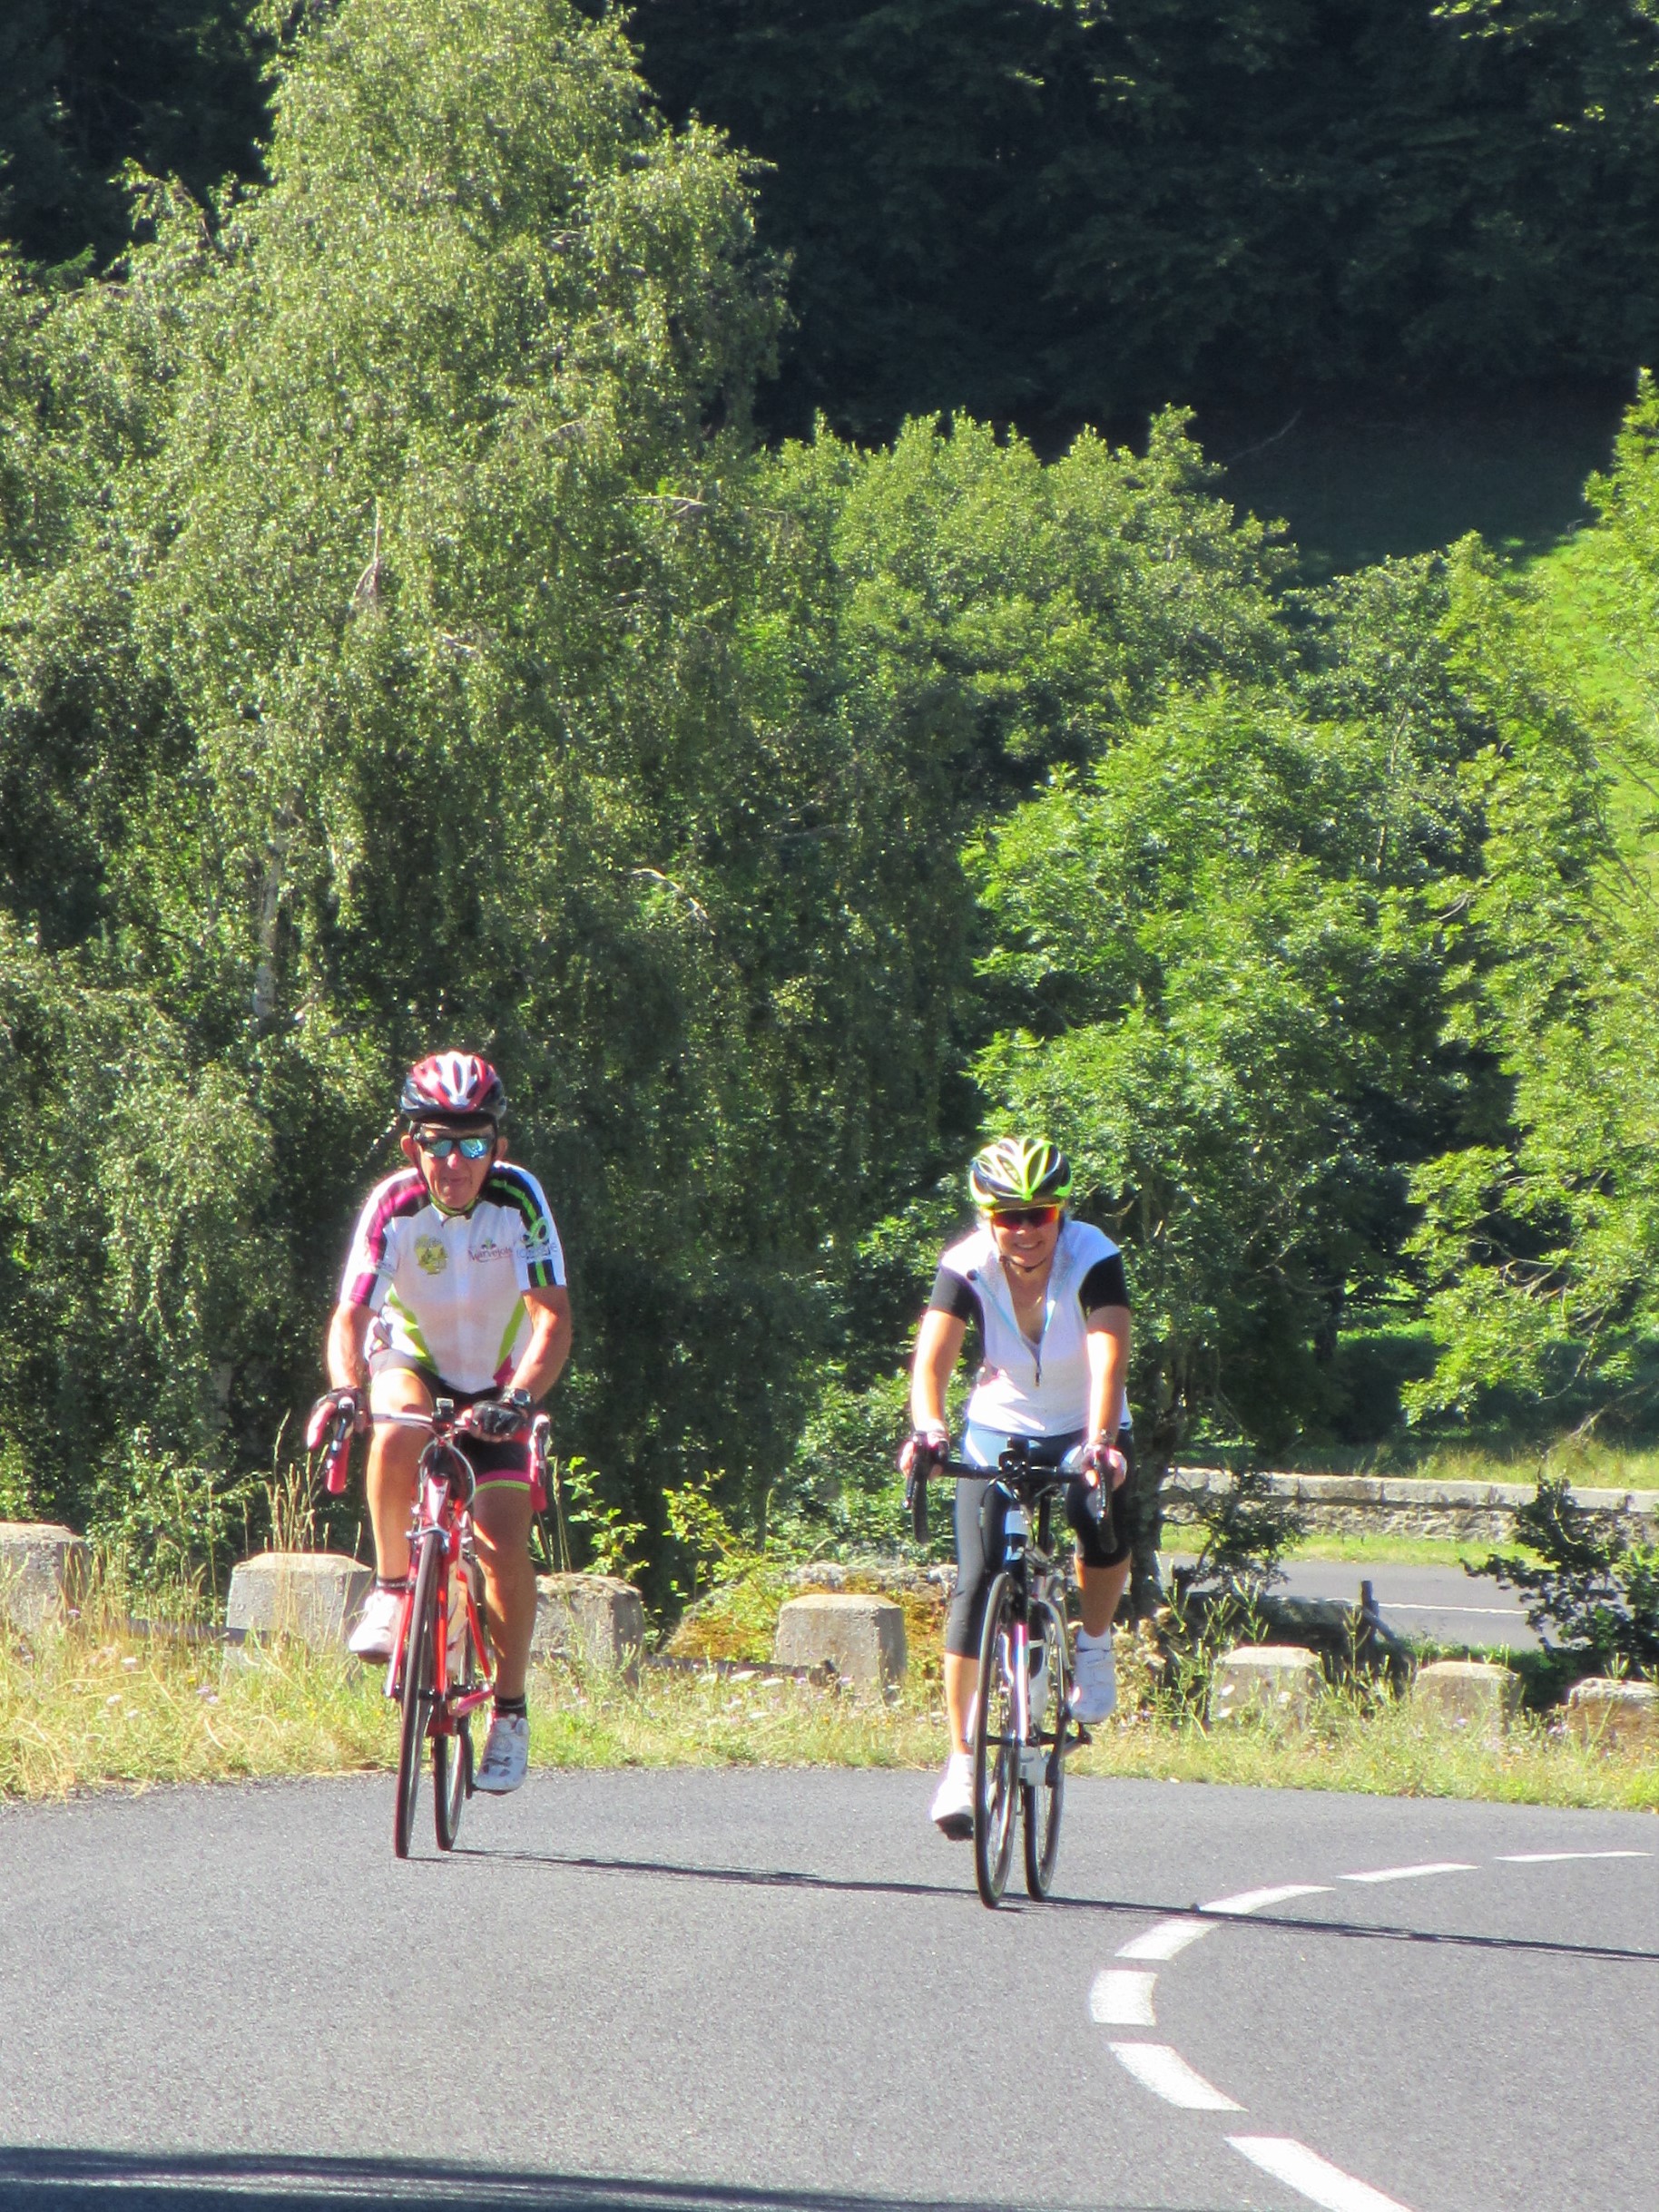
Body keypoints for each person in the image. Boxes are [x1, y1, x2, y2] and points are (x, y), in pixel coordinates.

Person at [313, 1052, 571, 1796]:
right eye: (438, 1142)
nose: (455, 1161)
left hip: (497, 1381)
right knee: (397, 1425)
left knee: (501, 1543)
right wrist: (344, 1389)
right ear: (412, 1146)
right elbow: (351, 1317)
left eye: (473, 1143)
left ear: (498, 1146)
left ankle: (510, 1712)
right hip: (415, 1360)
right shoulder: (393, 1204)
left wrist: (518, 1400)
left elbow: (552, 1320)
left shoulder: (519, 1199)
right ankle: (394, 1588)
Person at [899, 1136, 1132, 1839]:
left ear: (1061, 1214)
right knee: (975, 1581)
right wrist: (930, 1430)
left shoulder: (1092, 1255)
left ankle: (1094, 1644)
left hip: (1084, 1419)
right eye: (1010, 1217)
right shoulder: (966, 1263)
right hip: (1000, 1425)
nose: (1026, 1230)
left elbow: (1109, 1357)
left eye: (1040, 1214)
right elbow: (931, 1364)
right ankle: (961, 1763)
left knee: (1094, 1513)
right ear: (987, 1218)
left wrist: (1101, 1442)